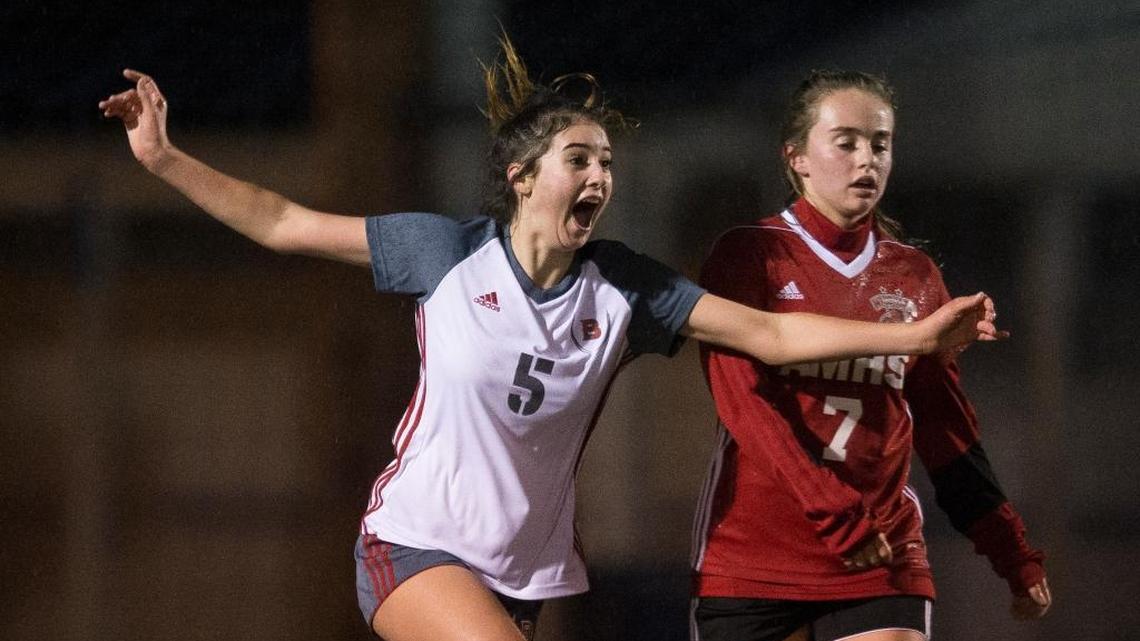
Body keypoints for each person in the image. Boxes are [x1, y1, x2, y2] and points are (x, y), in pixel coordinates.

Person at [99, 38, 1005, 641]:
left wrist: (920, 334)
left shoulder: (623, 290)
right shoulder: (446, 254)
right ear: (522, 175)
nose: (600, 176)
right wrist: (165, 158)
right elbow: (285, 221)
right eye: (581, 158)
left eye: (608, 162)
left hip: (528, 577)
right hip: (415, 546)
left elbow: (768, 332)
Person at [689, 70, 1051, 641]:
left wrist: (1009, 547)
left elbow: (944, 427)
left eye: (880, 144)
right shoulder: (750, 254)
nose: (868, 160)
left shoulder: (913, 273)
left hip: (883, 551)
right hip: (757, 554)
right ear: (797, 158)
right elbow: (746, 408)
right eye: (847, 142)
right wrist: (833, 512)